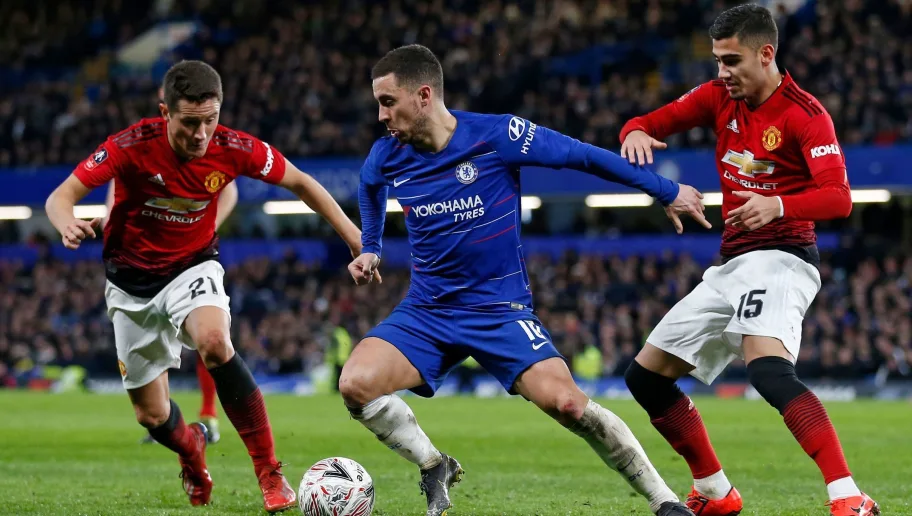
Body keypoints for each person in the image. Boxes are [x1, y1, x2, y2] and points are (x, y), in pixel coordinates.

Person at [340, 44, 711, 516]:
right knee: (355, 383)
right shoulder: (387, 154)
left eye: (388, 102)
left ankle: (665, 502)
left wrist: (665, 189)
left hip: (500, 311)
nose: (381, 116)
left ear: (424, 95)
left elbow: (582, 156)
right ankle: (433, 464)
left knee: (569, 405)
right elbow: (370, 186)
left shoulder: (497, 135)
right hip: (428, 311)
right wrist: (371, 245)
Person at [45, 60, 366, 513]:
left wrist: (355, 238)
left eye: (210, 121)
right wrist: (67, 223)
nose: (201, 134)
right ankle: (192, 449)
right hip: (131, 285)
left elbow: (301, 181)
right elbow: (60, 197)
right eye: (190, 123)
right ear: (165, 112)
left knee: (215, 342)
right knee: (152, 415)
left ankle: (270, 472)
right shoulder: (129, 145)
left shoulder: (234, 147)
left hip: (192, 266)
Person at [618, 5, 879, 516]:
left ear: (766, 54)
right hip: (731, 263)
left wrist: (779, 204)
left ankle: (849, 496)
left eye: (732, 60)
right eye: (717, 60)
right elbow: (648, 122)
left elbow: (839, 198)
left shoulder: (805, 114)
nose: (722, 72)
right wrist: (633, 131)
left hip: (784, 257)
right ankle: (716, 492)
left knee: (769, 372)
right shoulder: (718, 97)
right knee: (645, 377)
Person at [106, 179, 233, 445]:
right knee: (156, 341)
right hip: (145, 266)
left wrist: (205, 229)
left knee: (208, 337)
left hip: (193, 261)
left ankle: (209, 414)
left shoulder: (194, 159)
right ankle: (164, 417)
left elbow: (229, 190)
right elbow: (114, 201)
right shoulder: (130, 161)